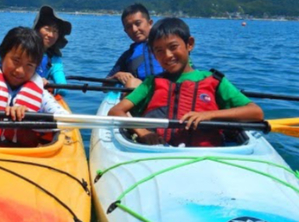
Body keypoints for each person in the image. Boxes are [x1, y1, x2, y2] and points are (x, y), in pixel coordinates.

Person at [108, 16, 264, 146]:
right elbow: (116, 111)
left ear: (189, 44)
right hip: (159, 153)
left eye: (173, 47)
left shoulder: (214, 81)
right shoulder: (151, 83)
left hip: (210, 157)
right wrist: (143, 133)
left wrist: (210, 115)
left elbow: (256, 113)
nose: (167, 55)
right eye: (159, 51)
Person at [107, 3, 164, 90]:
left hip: (167, 93)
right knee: (132, 83)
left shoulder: (167, 46)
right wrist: (117, 75)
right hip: (141, 98)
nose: (134, 30)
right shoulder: (128, 55)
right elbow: (104, 86)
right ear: (126, 31)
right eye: (129, 27)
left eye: (138, 23)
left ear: (150, 23)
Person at [32, 4, 70, 87]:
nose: (51, 35)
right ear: (37, 29)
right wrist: (36, 80)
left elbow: (62, 86)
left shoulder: (54, 58)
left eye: (55, 31)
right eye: (47, 29)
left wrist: (53, 89)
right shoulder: (20, 47)